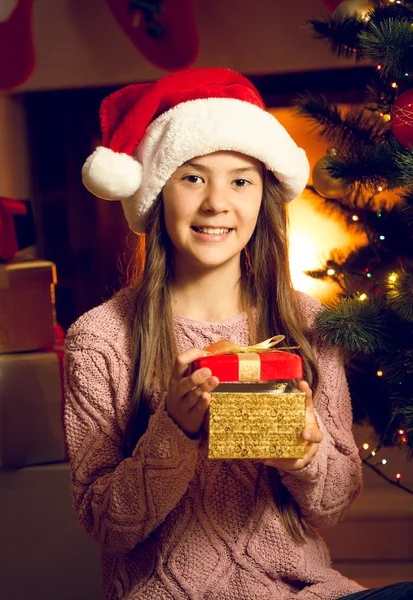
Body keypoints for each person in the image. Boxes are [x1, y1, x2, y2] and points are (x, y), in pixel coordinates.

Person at [63, 68, 413, 600]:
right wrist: (174, 431)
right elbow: (106, 524)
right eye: (193, 177)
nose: (216, 203)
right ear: (158, 192)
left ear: (262, 200)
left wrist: (301, 456)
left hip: (305, 591)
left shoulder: (308, 323)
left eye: (240, 180)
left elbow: (335, 502)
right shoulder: (101, 338)